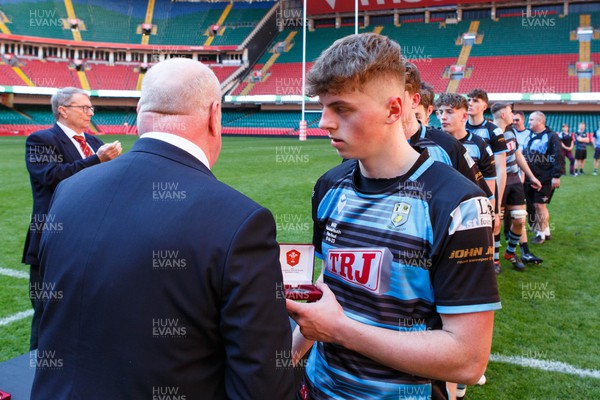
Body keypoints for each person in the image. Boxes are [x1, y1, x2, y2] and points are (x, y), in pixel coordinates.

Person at [31, 58, 294, 399]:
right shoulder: (241, 221)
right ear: (215, 115)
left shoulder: (70, 190)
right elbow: (263, 385)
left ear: (141, 110)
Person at [286, 33, 500, 400]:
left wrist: (339, 330)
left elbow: (467, 360)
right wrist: (287, 357)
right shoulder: (329, 186)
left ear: (394, 109)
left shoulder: (458, 203)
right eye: (322, 107)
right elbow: (331, 280)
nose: (324, 122)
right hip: (318, 389)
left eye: (342, 108)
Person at [23, 87, 122, 350]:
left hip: (94, 240)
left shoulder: (96, 143)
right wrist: (96, 161)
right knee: (47, 313)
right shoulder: (40, 139)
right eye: (84, 107)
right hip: (55, 239)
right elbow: (51, 178)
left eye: (91, 108)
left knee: (89, 310)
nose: (91, 112)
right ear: (63, 110)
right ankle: (37, 377)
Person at [402, 62, 492, 200]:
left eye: (449, 112)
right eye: (441, 112)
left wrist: (496, 210)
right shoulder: (380, 147)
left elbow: (484, 191)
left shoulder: (453, 146)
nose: (443, 117)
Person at [491, 102, 543, 269]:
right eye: (510, 111)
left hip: (514, 180)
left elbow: (517, 154)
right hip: (498, 180)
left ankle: (510, 252)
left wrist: (531, 176)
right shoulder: (490, 133)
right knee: (496, 222)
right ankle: (495, 260)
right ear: (503, 115)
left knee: (520, 219)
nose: (513, 114)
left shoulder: (510, 130)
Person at [466, 89, 508, 274]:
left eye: (475, 100)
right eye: (468, 100)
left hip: (486, 185)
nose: (470, 103)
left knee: (491, 224)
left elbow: (500, 168)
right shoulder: (460, 126)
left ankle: (492, 261)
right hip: (464, 186)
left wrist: (496, 202)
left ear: (484, 106)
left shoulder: (493, 131)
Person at [522, 111, 564, 244]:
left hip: (545, 177)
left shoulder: (551, 136)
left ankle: (540, 234)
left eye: (532, 120)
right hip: (530, 177)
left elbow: (558, 156)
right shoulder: (529, 135)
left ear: (540, 121)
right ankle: (547, 232)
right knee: (533, 205)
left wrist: (556, 176)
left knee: (539, 205)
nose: (529, 122)